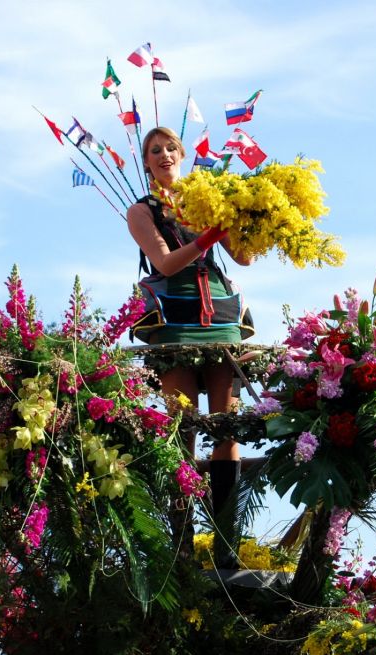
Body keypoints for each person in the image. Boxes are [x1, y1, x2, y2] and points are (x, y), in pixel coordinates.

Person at [126, 126, 252, 567]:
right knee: (182, 429)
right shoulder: (141, 210)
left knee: (226, 427)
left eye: (170, 148)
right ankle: (182, 546)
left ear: (182, 156)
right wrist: (205, 238)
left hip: (220, 314)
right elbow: (163, 261)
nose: (163, 155)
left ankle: (227, 547)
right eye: (154, 150)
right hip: (175, 319)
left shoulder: (206, 197)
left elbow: (245, 257)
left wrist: (238, 217)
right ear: (146, 163)